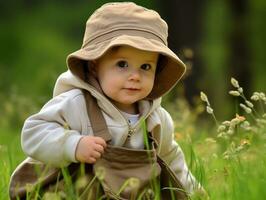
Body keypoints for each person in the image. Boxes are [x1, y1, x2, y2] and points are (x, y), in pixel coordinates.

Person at [18, 2, 205, 198]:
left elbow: (172, 160)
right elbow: (33, 133)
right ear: (94, 66)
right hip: (71, 192)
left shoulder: (157, 119)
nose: (135, 76)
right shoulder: (76, 104)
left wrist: (196, 193)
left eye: (145, 67)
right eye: (122, 64)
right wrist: (72, 145)